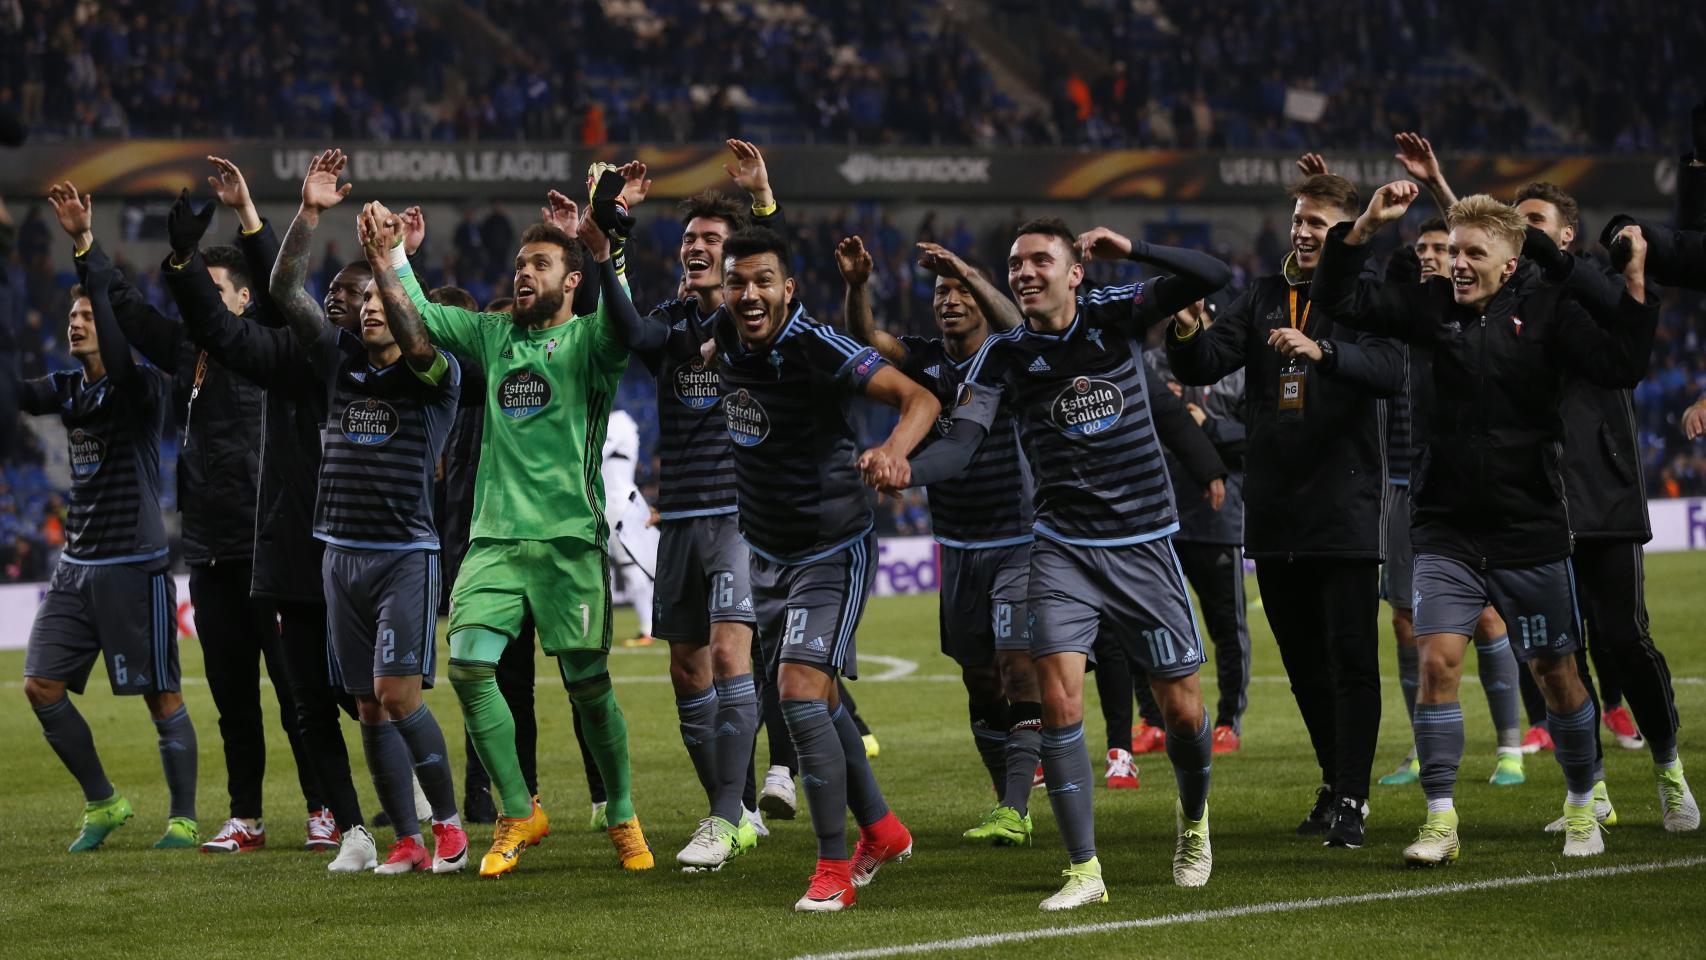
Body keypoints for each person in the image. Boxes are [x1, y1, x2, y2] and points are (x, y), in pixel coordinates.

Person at [1314, 182, 1665, 863]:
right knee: (1437, 661)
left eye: (1475, 252)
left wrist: (1634, 285)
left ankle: (1582, 797)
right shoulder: (1429, 308)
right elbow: (1341, 299)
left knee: (1556, 674)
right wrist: (1358, 232)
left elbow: (1625, 362)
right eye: (1454, 253)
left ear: (1509, 265)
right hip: (1444, 525)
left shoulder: (1548, 315)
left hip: (1527, 527)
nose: (1459, 264)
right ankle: (1440, 819)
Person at [900, 217, 1232, 908]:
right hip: (1060, 550)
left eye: (1039, 260)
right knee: (1056, 703)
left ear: (1074, 271)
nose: (1024, 272)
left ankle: (1194, 821)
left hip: (1142, 544)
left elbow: (1213, 276)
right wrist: (905, 468)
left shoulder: (1117, 314)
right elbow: (961, 444)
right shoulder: (1005, 355)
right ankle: (1084, 870)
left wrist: (1133, 250)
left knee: (1183, 714)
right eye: (1015, 262)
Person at [45, 162, 328, 855]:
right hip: (206, 544)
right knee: (233, 697)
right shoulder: (185, 351)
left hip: (268, 542)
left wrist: (254, 216)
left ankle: (325, 809)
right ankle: (247, 818)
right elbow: (122, 305)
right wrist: (86, 245)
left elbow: (279, 287)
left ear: (241, 300)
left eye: (212, 288)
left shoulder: (263, 341)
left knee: (297, 693)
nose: (197, 299)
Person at [392, 172, 654, 876]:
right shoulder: (494, 334)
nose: (524, 274)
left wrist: (603, 246)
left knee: (589, 685)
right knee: (471, 665)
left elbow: (620, 314)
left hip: (569, 539)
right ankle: (518, 810)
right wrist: (396, 258)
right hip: (495, 540)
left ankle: (622, 811)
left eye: (539, 264)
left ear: (571, 282)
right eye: (520, 265)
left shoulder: (594, 344)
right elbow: (419, 319)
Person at [1167, 173, 1405, 850]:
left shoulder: (1364, 295)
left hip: (1345, 504)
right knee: (1303, 663)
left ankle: (1355, 799)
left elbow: (1390, 369)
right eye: (1299, 219)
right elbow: (1209, 361)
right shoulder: (1264, 296)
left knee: (1352, 658)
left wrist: (1322, 351)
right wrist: (1186, 330)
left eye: (1320, 223)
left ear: (1349, 231)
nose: (1303, 231)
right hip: (1274, 507)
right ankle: (1333, 781)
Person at [706, 226, 934, 911]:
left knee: (801, 693)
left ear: (788, 289)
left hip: (832, 547)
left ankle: (834, 867)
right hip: (766, 552)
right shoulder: (724, 333)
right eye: (737, 282)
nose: (750, 294)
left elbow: (920, 398)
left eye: (763, 281)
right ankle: (884, 830)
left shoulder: (818, 346)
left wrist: (894, 453)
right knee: (822, 700)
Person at [262, 154, 470, 875]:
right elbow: (284, 288)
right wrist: (310, 214)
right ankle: (406, 839)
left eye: (385, 298)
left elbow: (417, 340)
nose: (373, 307)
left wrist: (389, 262)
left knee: (396, 695)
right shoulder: (338, 359)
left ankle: (450, 826)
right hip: (337, 553)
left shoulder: (437, 374)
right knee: (367, 704)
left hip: (404, 555)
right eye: (366, 301)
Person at [598, 151, 780, 871]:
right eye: (689, 242)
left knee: (732, 652)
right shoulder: (671, 321)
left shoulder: (756, 318)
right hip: (680, 520)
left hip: (739, 511)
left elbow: (774, 262)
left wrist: (764, 203)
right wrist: (611, 243)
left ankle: (723, 815)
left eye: (711, 241)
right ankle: (732, 807)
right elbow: (633, 336)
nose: (697, 249)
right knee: (685, 668)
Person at [841, 235, 1046, 842]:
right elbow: (866, 343)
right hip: (955, 544)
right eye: (942, 291)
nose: (950, 300)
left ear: (984, 298)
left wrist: (970, 270)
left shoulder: (1011, 357)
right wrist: (858, 288)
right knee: (979, 678)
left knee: (1016, 671)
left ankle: (1014, 807)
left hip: (1018, 539)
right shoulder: (926, 359)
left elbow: (1018, 327)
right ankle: (1007, 799)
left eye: (961, 290)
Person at [20, 269, 199, 852]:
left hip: (134, 563)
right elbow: (19, 396)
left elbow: (123, 370)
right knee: (40, 684)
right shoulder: (69, 388)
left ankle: (183, 818)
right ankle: (104, 801)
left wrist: (93, 270)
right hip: (75, 566)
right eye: (72, 317)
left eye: (88, 317)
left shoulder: (144, 386)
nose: (75, 322)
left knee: (160, 694)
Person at [1373, 212, 1525, 791]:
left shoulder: (1472, 319)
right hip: (1403, 486)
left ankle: (1510, 747)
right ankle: (1420, 745)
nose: (1432, 256)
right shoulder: (1402, 322)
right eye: (1424, 248)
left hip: (1463, 488)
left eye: (1443, 247)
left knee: (1485, 617)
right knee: (1406, 622)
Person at [1146, 301, 1251, 754]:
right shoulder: (1149, 363)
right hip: (1155, 516)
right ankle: (1150, 721)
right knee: (1146, 626)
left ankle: (1228, 720)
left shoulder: (1236, 370)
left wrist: (1209, 425)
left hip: (1216, 517)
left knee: (1226, 627)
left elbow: (1255, 438)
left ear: (1208, 312)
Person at [601, 407, 655, 647]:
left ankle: (648, 628)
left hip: (619, 502)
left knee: (631, 565)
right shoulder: (622, 421)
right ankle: (651, 625)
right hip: (617, 501)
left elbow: (597, 453)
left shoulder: (618, 421)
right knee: (636, 565)